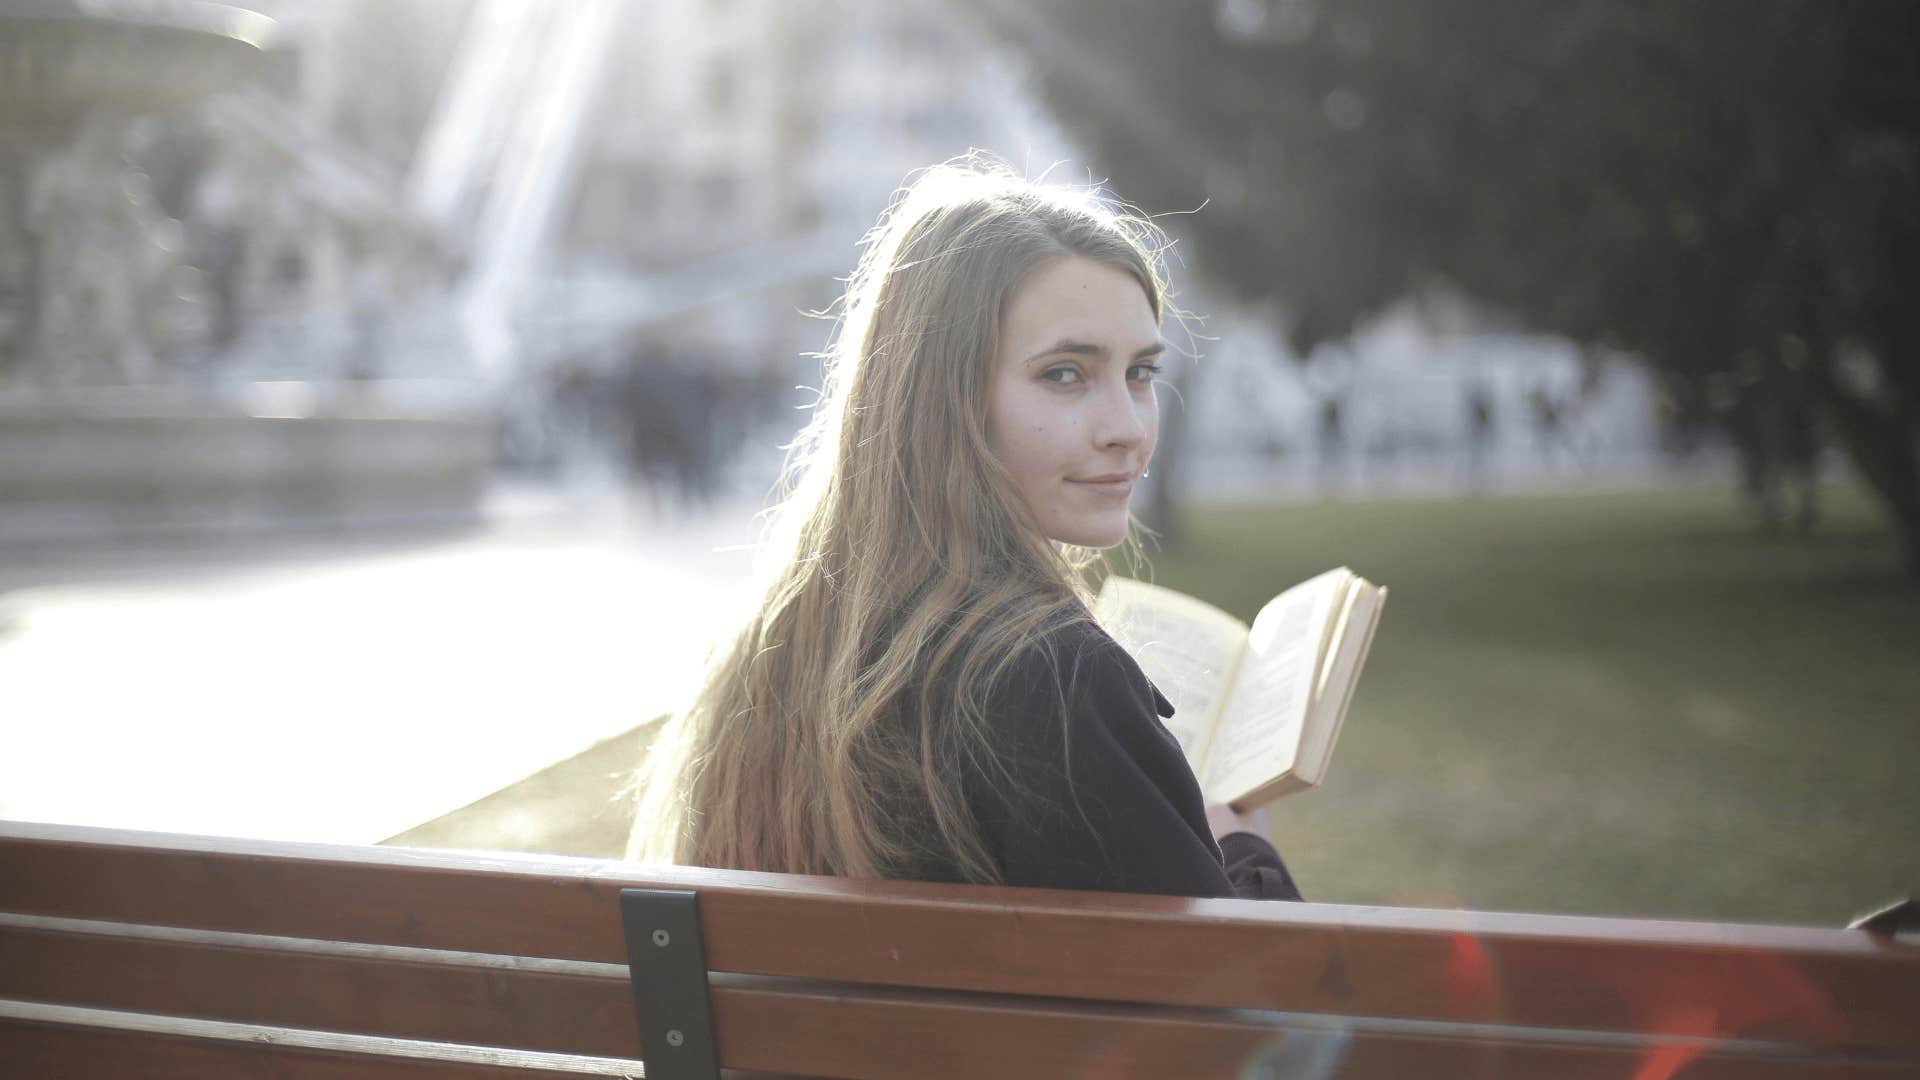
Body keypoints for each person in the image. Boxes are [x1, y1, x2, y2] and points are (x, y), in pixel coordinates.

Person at [627, 159, 1301, 901]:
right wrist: (1242, 846)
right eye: (1066, 374)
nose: (1129, 429)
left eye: (1140, 373)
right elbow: (1250, 1003)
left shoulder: (781, 639)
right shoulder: (1057, 682)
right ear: (941, 399)